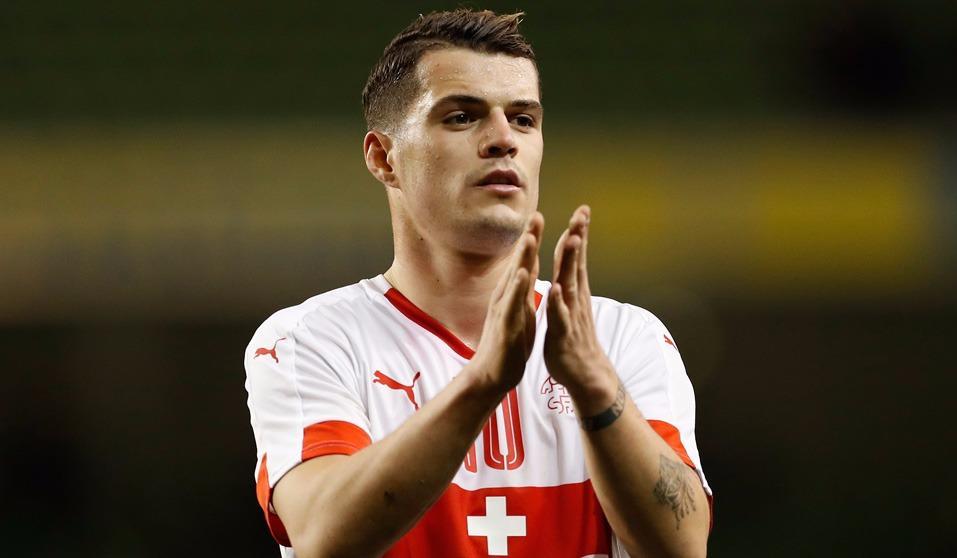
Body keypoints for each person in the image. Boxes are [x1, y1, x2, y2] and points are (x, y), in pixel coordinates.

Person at [244, 9, 712, 558]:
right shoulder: (310, 340)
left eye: (524, 119)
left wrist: (595, 387)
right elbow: (323, 536)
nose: (503, 139)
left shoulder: (622, 337)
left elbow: (684, 546)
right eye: (462, 117)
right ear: (384, 157)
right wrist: (482, 382)